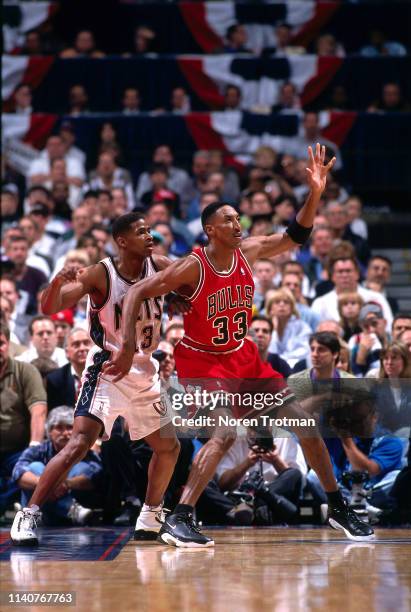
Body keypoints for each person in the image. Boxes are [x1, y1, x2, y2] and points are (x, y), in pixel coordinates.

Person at [105, 145, 374, 546]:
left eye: (238, 218)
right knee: (225, 430)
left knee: (303, 421)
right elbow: (135, 293)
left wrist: (314, 192)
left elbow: (296, 234)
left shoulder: (249, 252)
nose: (237, 223)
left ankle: (337, 507)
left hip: (243, 357)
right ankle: (180, 516)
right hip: (202, 360)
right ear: (210, 229)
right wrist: (126, 346)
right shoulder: (193, 265)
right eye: (228, 220)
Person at [10, 213, 182, 545]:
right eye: (141, 232)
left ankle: (150, 514)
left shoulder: (158, 264)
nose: (150, 236)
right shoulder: (101, 273)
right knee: (79, 444)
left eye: (150, 231)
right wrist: (58, 282)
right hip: (108, 368)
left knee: (169, 447)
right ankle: (29, 513)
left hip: (146, 370)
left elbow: (189, 281)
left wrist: (181, 296)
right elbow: (50, 306)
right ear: (122, 241)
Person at [12, 406, 103, 526]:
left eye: (70, 427)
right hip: (52, 510)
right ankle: (72, 509)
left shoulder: (86, 452)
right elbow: (17, 472)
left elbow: (97, 475)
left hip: (70, 503)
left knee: (81, 467)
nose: (65, 433)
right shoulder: (38, 450)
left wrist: (66, 484)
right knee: (35, 467)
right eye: (59, 428)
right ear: (49, 431)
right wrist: (48, 483)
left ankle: (30, 512)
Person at [0, 320, 47, 512]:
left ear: (8, 345)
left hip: (17, 451)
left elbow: (39, 410)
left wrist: (34, 447)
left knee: (34, 469)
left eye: (0, 343)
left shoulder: (25, 371)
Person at [46, 328, 92, 410]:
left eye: (86, 343)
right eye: (76, 345)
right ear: (67, 352)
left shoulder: (105, 374)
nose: (82, 348)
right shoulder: (55, 380)